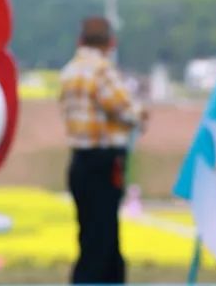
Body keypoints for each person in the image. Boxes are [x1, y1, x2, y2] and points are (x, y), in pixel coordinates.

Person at [58, 16, 145, 285]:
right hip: (105, 162)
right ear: (111, 43)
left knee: (88, 234)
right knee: (104, 239)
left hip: (79, 160)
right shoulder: (102, 71)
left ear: (80, 41)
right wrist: (141, 114)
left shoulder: (69, 71)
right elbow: (126, 109)